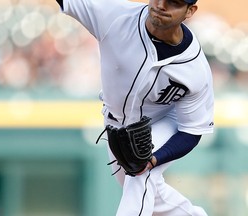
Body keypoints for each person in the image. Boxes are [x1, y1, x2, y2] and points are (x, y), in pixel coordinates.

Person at [55, 0, 214, 215]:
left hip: (164, 123)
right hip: (115, 123)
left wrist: (155, 159)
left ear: (190, 11)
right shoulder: (116, 17)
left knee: (140, 174)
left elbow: (192, 131)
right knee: (151, 195)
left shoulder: (195, 69)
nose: (161, 5)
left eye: (173, 2)